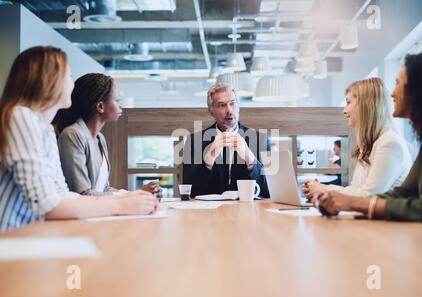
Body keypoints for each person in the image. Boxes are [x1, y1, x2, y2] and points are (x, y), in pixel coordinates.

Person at [0, 46, 158, 231]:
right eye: (68, 77)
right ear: (48, 80)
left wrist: (125, 198)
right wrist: (119, 205)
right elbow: (45, 204)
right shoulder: (22, 117)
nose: (72, 83)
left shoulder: (46, 130)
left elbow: (61, 194)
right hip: (11, 239)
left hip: (30, 236)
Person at [317, 52, 422, 229]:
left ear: (420, 91)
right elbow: (402, 194)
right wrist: (346, 201)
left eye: (398, 84)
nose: (393, 94)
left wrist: (355, 203)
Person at [53, 73, 162, 199]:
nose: (120, 105)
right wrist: (133, 196)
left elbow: (104, 190)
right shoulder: (72, 135)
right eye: (117, 100)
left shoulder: (100, 139)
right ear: (100, 106)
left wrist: (139, 193)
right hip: (81, 215)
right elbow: (82, 194)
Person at [302, 77, 412, 198]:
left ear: (365, 105)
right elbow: (356, 190)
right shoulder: (370, 145)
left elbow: (368, 196)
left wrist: (324, 189)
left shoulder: (390, 143)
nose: (344, 110)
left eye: (348, 102)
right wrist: (319, 190)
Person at [182, 83, 270, 198]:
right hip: (208, 214)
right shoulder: (194, 141)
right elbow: (190, 191)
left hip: (247, 211)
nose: (229, 110)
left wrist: (250, 158)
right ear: (211, 111)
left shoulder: (261, 139)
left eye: (233, 104)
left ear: (239, 107)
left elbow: (268, 191)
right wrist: (208, 160)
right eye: (221, 105)